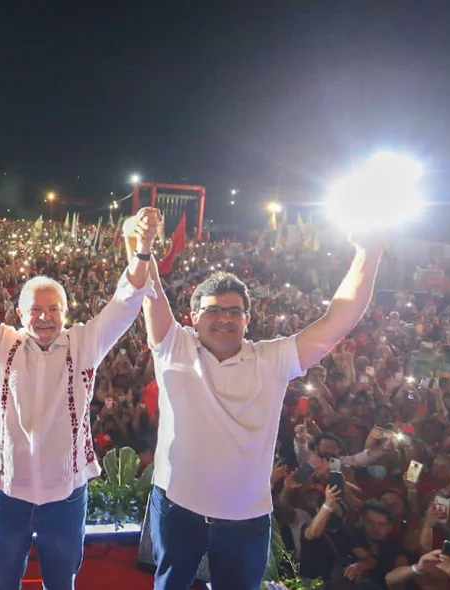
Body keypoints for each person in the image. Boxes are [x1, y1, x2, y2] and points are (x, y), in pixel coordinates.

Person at [127, 213, 385, 590]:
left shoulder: (273, 359)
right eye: (213, 309)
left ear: (248, 319)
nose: (224, 318)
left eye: (234, 311)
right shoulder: (173, 346)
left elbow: (338, 320)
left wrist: (369, 251)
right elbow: (146, 287)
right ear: (193, 317)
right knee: (170, 584)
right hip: (177, 506)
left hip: (245, 517)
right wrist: (139, 244)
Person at [0, 209, 161, 590]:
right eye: (35, 310)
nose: (44, 317)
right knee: (3, 580)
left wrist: (144, 249)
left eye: (53, 309)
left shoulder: (85, 343)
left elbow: (126, 301)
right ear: (20, 313)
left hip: (65, 491)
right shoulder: (2, 342)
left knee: (60, 580)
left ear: (66, 313)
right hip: (8, 489)